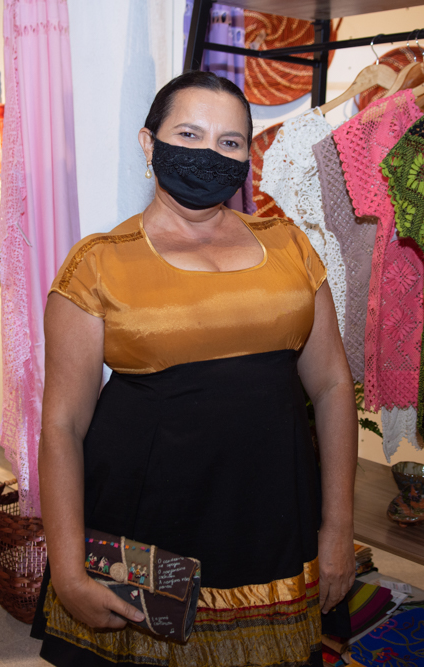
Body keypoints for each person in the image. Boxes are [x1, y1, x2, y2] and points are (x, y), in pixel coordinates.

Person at [32, 70, 357, 667]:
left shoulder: (289, 246)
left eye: (230, 142)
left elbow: (334, 385)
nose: (210, 153)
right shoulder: (97, 264)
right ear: (148, 142)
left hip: (274, 512)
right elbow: (61, 427)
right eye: (189, 134)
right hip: (148, 520)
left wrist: (338, 527)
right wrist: (69, 569)